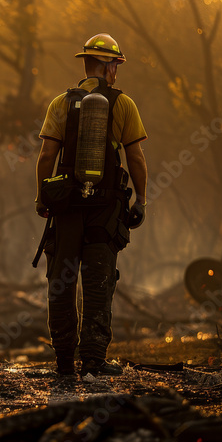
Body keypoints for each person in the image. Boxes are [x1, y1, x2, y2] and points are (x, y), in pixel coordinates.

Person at [34, 33, 149, 378]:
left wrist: (42, 197)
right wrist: (141, 200)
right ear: (108, 66)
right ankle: (94, 363)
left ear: (85, 63)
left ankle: (64, 363)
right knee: (99, 283)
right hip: (106, 210)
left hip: (66, 208)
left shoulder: (60, 103)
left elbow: (46, 156)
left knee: (61, 283)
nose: (117, 70)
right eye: (116, 64)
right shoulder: (123, 104)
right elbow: (136, 159)